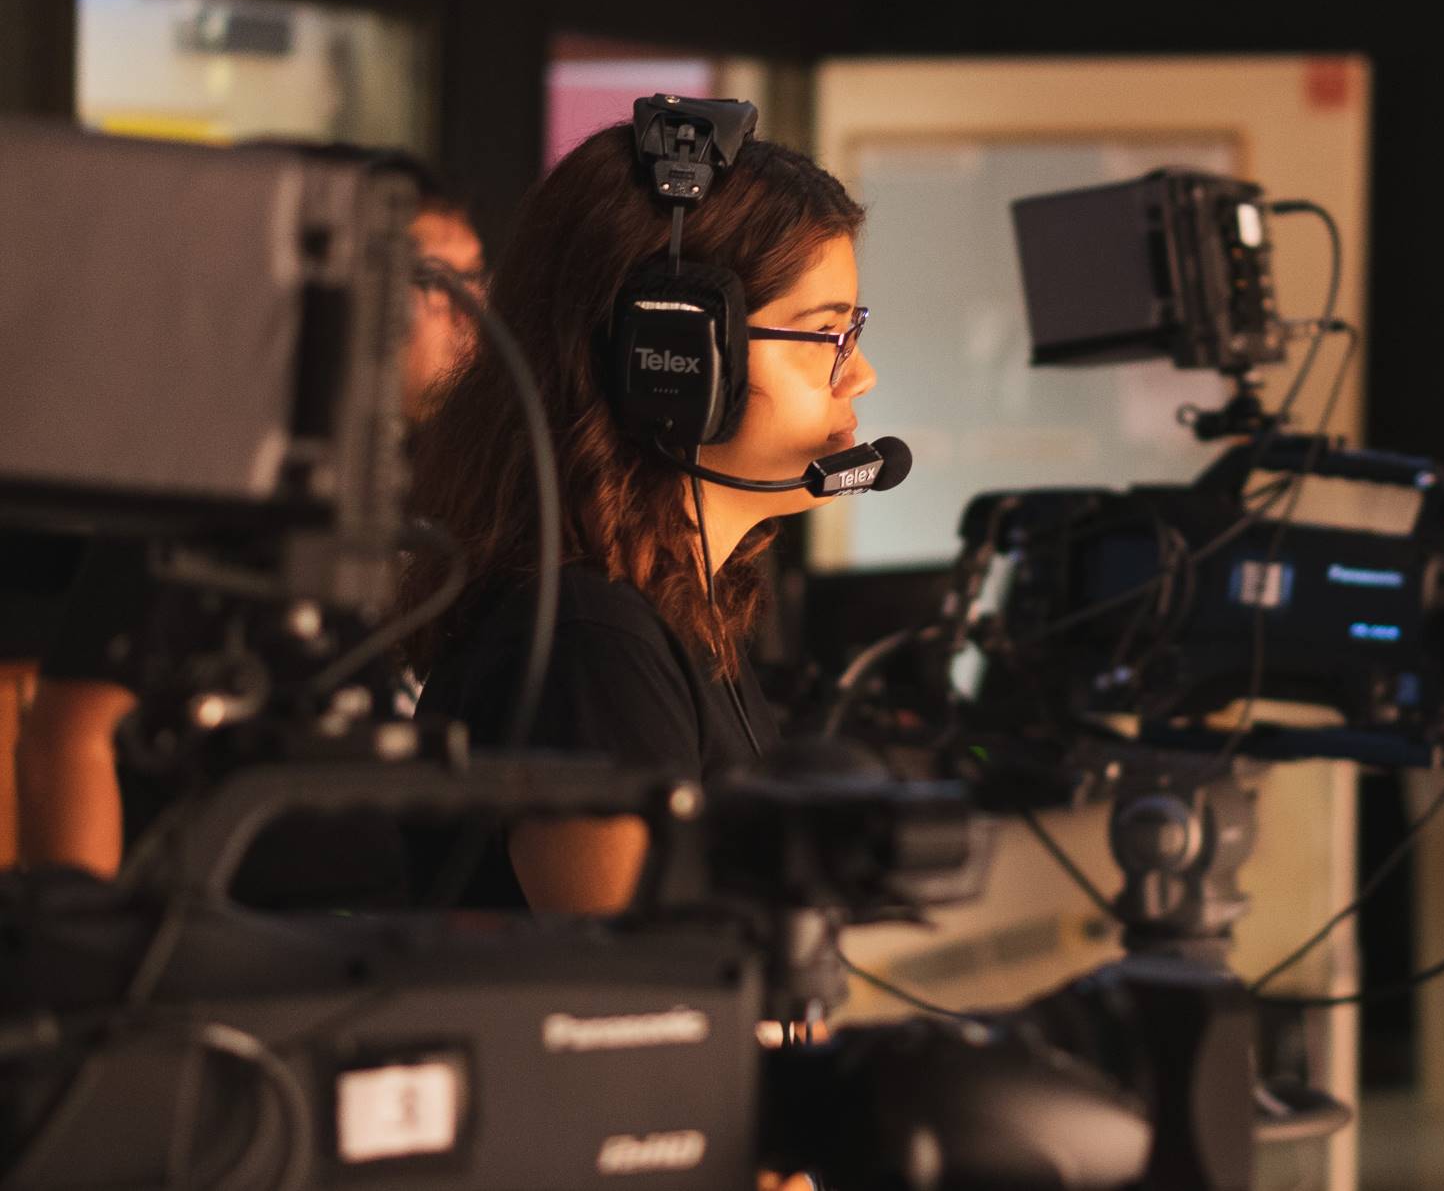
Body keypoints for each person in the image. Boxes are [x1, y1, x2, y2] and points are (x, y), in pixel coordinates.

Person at [405, 122, 872, 917]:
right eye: (827, 333)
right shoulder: (592, 647)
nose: (859, 373)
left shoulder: (677, 613)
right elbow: (652, 1012)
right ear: (675, 357)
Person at [12, 150, 483, 885]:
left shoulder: (448, 488)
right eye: (427, 279)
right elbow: (70, 736)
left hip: (387, 954)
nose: (466, 309)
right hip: (218, 956)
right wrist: (86, 948)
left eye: (474, 276)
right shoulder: (225, 493)